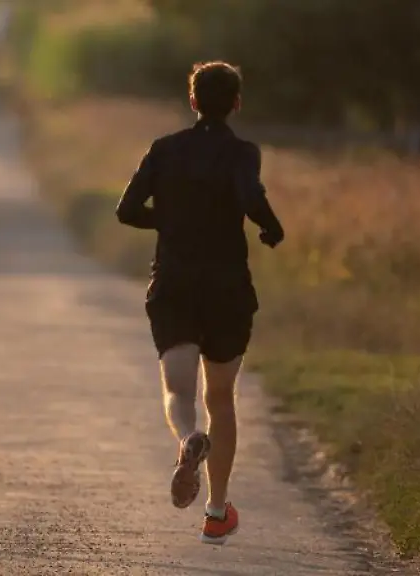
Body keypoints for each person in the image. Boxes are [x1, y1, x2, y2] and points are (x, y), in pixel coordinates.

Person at [114, 61, 285, 545]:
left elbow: (126, 211)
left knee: (178, 389)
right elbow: (250, 197)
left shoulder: (164, 150)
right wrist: (272, 227)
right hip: (228, 287)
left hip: (175, 283)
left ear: (192, 101)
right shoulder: (242, 152)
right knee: (222, 398)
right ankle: (215, 511)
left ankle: (188, 439)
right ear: (236, 103)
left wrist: (168, 222)